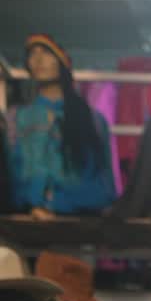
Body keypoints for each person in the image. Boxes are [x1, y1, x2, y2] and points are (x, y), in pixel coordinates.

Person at [4, 34, 116, 217]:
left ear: (63, 62)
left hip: (83, 218)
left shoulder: (92, 120)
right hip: (30, 218)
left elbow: (104, 176)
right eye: (32, 54)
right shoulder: (16, 118)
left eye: (47, 52)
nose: (38, 59)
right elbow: (13, 171)